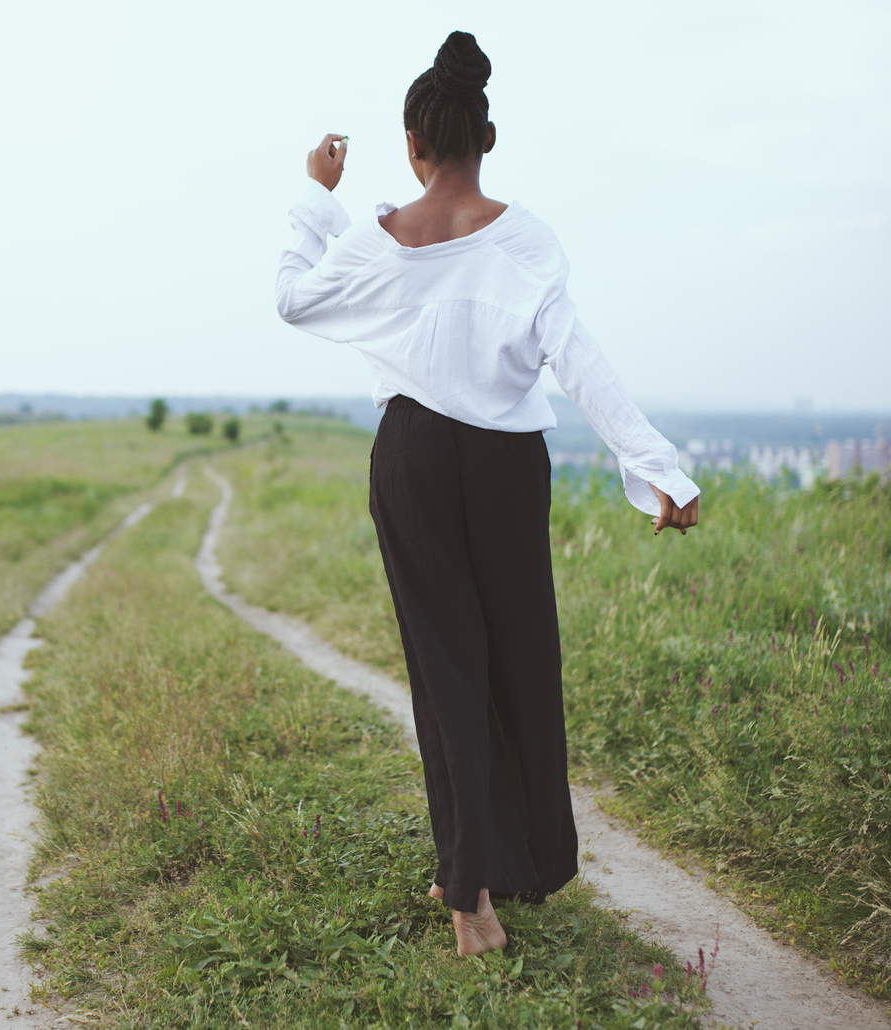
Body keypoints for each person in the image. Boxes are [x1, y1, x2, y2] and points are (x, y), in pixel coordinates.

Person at [275, 30, 700, 957]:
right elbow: (577, 359)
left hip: (414, 460)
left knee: (448, 667)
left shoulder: (379, 240)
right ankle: (490, 874)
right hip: (507, 467)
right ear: (486, 140)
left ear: (414, 145)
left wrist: (317, 194)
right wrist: (658, 467)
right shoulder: (527, 238)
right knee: (517, 661)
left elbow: (294, 300)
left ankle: (471, 884)